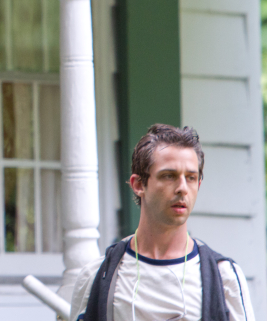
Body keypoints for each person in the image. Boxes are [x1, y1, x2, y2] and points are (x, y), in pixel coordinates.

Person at [70, 124, 252, 321]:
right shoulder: (98, 276)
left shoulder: (224, 279)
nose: (182, 188)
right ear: (138, 185)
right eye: (169, 176)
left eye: (191, 178)